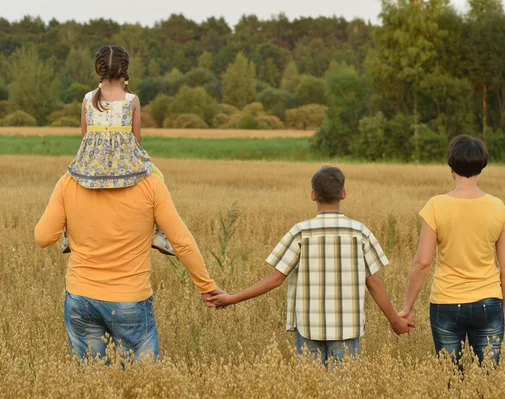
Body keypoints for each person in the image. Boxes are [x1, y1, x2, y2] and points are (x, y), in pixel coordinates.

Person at [207, 166, 414, 366]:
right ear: (344, 194)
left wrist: (232, 298)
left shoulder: (300, 232)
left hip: (308, 328)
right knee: (341, 390)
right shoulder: (360, 233)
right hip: (347, 329)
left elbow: (275, 279)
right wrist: (395, 321)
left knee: (311, 387)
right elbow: (374, 283)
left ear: (313, 195)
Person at [34, 168, 225, 360]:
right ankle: (158, 234)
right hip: (130, 299)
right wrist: (206, 286)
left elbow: (43, 238)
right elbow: (182, 242)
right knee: (141, 380)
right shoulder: (151, 183)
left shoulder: (69, 181)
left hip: (80, 297)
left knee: (91, 382)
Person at [398, 135, 505, 366]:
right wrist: (502, 306)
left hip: (446, 302)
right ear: (481, 167)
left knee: (450, 377)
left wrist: (407, 308)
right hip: (488, 300)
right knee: (488, 378)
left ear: (451, 167)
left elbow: (422, 262)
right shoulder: (498, 207)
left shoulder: (436, 205)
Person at [61, 45, 174, 256]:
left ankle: (68, 233)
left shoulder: (87, 99)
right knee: (159, 176)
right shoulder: (132, 100)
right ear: (124, 71)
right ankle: (159, 234)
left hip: (92, 165)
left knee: (67, 184)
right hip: (126, 164)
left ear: (98, 69)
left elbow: (85, 137)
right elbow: (136, 140)